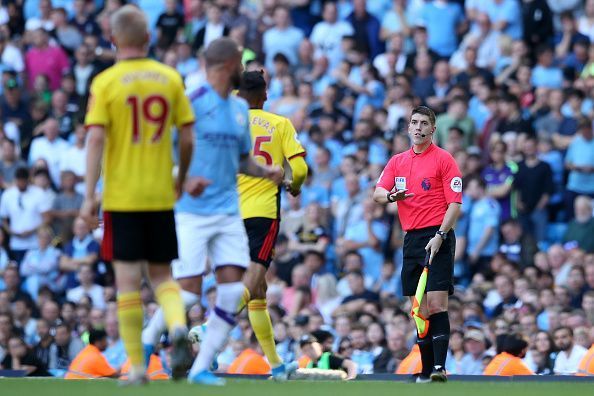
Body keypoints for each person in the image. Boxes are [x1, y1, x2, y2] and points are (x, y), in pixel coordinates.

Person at [81, 5, 195, 384]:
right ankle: (178, 328)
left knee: (127, 283)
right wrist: (180, 180)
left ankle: (136, 368)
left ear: (113, 39)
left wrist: (87, 197)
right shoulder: (169, 78)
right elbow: (188, 135)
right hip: (161, 194)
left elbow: (95, 138)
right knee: (163, 276)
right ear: (148, 39)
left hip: (122, 197)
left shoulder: (106, 83)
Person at [169, 38, 282, 386]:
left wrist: (264, 171)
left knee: (249, 291)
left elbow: (241, 159)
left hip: (226, 212)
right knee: (195, 291)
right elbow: (172, 147)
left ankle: (274, 365)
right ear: (228, 64)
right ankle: (181, 336)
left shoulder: (231, 111)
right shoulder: (199, 102)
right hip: (215, 211)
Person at [374, 105, 462, 383]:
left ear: (433, 129)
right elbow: (377, 193)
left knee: (437, 304)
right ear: (408, 127)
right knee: (418, 310)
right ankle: (425, 370)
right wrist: (391, 197)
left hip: (438, 236)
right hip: (411, 238)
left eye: (424, 123)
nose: (419, 127)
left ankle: (439, 368)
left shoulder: (445, 159)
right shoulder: (397, 161)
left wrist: (440, 235)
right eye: (414, 122)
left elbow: (455, 204)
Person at [235, 70, 307, 378]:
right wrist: (294, 185)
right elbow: (300, 168)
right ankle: (209, 327)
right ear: (265, 95)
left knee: (258, 292)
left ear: (238, 95)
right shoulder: (280, 123)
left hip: (228, 214)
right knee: (253, 280)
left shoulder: (229, 125)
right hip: (261, 213)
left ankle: (276, 365)